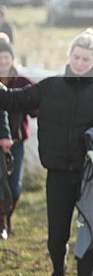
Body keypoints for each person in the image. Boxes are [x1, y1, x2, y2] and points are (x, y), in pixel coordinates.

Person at [0, 28, 93, 276]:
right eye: (76, 57)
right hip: (57, 174)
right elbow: (12, 101)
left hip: (90, 175)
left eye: (86, 59)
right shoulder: (50, 87)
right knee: (56, 238)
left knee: (89, 234)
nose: (80, 63)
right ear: (69, 55)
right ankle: (59, 271)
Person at [0, 39, 36, 240]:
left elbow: (36, 104)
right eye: (0, 57)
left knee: (14, 186)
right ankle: (1, 223)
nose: (3, 61)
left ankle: (7, 217)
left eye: (6, 57)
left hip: (17, 141)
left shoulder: (22, 82)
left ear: (12, 59)